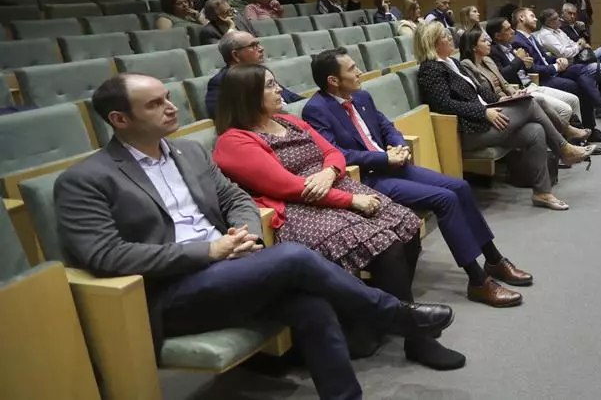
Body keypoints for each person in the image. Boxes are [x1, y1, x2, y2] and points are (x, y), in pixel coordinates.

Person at [54, 74, 456, 399]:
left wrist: (243, 232)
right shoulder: (86, 179)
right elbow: (104, 255)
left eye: (168, 98)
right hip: (172, 292)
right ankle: (395, 315)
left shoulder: (188, 153)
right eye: (154, 104)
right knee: (294, 256)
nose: (170, 107)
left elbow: (235, 197)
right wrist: (210, 250)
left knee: (310, 303)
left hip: (233, 266)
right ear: (119, 119)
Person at [213, 65, 464, 370]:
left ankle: (373, 320)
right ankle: (416, 337)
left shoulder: (288, 120)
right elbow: (287, 187)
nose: (279, 89)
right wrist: (351, 200)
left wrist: (329, 172)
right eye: (269, 85)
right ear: (246, 95)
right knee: (386, 244)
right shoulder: (233, 142)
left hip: (333, 187)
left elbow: (334, 153)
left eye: (276, 83)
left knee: (406, 225)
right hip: (298, 210)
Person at [303, 49, 529, 307]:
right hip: (366, 179)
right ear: (333, 80)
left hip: (394, 166)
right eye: (352, 69)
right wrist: (383, 158)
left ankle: (494, 260)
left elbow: (386, 127)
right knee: (445, 199)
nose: (360, 72)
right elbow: (336, 153)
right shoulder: (316, 110)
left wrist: (399, 146)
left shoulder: (362, 96)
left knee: (460, 187)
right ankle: (478, 281)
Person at [415, 23, 593, 211]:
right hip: (469, 130)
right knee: (531, 103)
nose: (450, 38)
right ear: (432, 42)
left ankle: (542, 192)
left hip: (486, 118)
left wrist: (502, 99)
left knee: (536, 130)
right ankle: (564, 146)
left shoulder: (452, 62)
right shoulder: (430, 69)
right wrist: (483, 112)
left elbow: (479, 91)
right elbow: (444, 105)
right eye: (444, 36)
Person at [485, 17, 601, 144]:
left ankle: (586, 132)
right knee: (576, 89)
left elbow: (537, 61)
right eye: (508, 29)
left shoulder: (513, 45)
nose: (512, 31)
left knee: (583, 76)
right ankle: (574, 141)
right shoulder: (498, 50)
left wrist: (554, 60)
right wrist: (521, 60)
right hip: (528, 85)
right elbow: (504, 75)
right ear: (498, 36)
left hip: (534, 81)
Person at [459, 29, 592, 146]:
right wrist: (507, 97)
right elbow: (480, 92)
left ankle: (571, 142)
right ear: (473, 47)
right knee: (543, 103)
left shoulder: (487, 60)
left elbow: (504, 83)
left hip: (513, 94)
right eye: (484, 41)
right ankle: (566, 139)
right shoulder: (466, 65)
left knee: (567, 101)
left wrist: (514, 92)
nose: (489, 43)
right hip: (496, 105)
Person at [512, 7, 601, 119]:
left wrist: (557, 60)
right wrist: (556, 65)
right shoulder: (519, 41)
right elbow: (532, 68)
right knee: (582, 82)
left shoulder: (531, 37)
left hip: (562, 65)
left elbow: (546, 57)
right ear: (521, 18)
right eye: (532, 16)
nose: (535, 19)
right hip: (543, 78)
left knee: (583, 71)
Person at [205, 31, 301, 117]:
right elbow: (223, 115)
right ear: (236, 55)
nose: (261, 48)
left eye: (258, 44)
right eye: (253, 45)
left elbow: (292, 98)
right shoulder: (221, 82)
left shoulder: (262, 72)